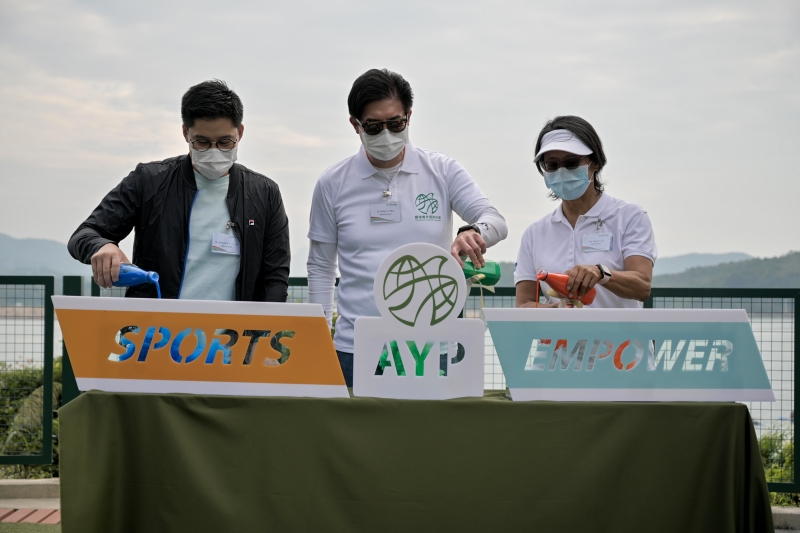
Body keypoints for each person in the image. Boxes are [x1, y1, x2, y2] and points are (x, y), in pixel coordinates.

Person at [308, 68, 508, 386]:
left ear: (409, 117)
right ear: (354, 125)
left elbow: (495, 220)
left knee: (432, 435)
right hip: (356, 347)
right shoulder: (332, 183)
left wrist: (473, 231)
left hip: (434, 346)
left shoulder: (442, 171)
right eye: (373, 126)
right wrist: (316, 336)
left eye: (395, 123)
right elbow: (320, 266)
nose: (386, 134)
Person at [68, 80, 290, 301]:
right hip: (156, 333)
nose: (214, 151)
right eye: (201, 142)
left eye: (225, 142)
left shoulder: (264, 193)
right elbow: (84, 235)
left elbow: (275, 277)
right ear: (186, 133)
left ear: (240, 133)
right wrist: (102, 246)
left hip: (234, 335)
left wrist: (261, 332)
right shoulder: (149, 182)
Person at [515, 116, 656, 309]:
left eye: (572, 163)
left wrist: (601, 273)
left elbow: (642, 287)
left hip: (622, 339)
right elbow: (523, 304)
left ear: (595, 163)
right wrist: (555, 311)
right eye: (552, 165)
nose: (562, 171)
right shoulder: (534, 234)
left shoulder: (630, 216)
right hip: (561, 340)